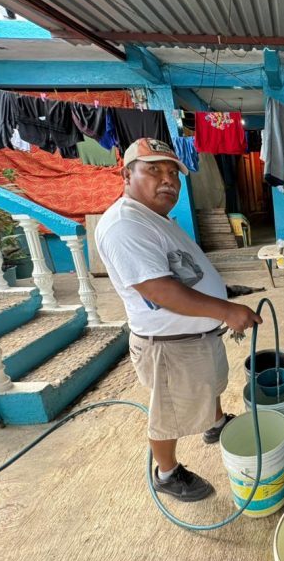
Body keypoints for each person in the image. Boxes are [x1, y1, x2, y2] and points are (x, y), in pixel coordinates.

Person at [96, 138, 262, 502]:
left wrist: (221, 292)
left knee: (209, 383)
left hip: (196, 336)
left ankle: (215, 424)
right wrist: (226, 310)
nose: (167, 179)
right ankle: (167, 473)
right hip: (169, 346)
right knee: (168, 414)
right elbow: (160, 289)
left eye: (173, 172)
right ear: (127, 175)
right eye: (153, 170)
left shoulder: (154, 217)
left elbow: (182, 270)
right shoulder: (125, 225)